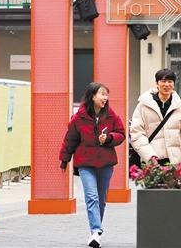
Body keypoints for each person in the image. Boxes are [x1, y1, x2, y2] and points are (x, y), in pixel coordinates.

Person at [59, 82, 125, 248]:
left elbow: (121, 133)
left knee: (101, 200)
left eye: (106, 94)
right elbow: (70, 139)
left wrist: (109, 138)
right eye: (102, 94)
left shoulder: (111, 115)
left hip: (106, 163)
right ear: (92, 96)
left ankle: (96, 232)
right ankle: (95, 231)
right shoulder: (79, 118)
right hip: (86, 163)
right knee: (92, 197)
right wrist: (64, 160)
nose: (105, 98)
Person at [130, 68, 181, 165]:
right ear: (157, 83)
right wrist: (149, 156)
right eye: (163, 81)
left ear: (173, 84)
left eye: (170, 81)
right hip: (151, 162)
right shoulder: (143, 106)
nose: (166, 84)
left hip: (175, 162)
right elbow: (137, 133)